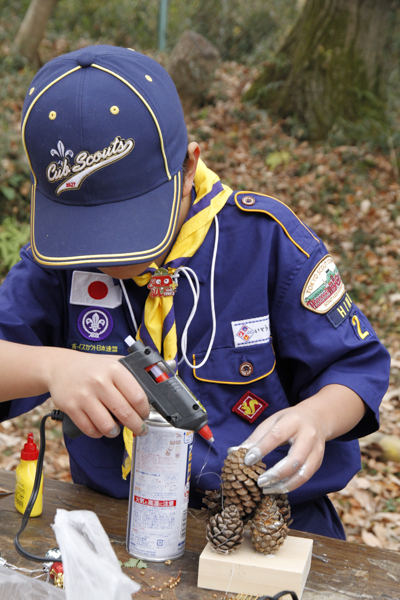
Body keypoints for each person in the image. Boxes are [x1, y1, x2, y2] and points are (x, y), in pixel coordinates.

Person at [0, 45, 390, 539]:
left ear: (188, 168)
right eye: (84, 233)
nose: (107, 258)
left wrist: (316, 417)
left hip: (269, 527)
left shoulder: (266, 242)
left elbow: (355, 367)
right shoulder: (56, 261)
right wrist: (49, 367)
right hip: (116, 524)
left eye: (128, 227)